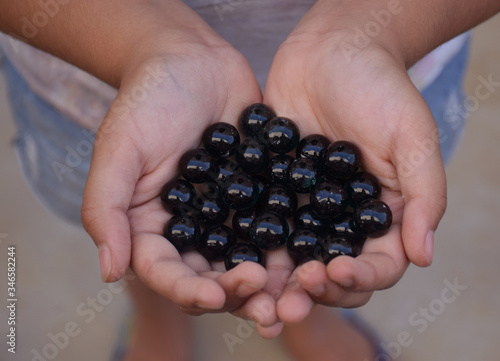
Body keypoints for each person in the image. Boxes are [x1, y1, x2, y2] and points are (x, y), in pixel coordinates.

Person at [1, 1, 499, 360]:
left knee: (323, 269)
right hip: (91, 80)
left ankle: (313, 317)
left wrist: (373, 33)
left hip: (392, 65)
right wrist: (143, 46)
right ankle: (156, 318)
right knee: (135, 226)